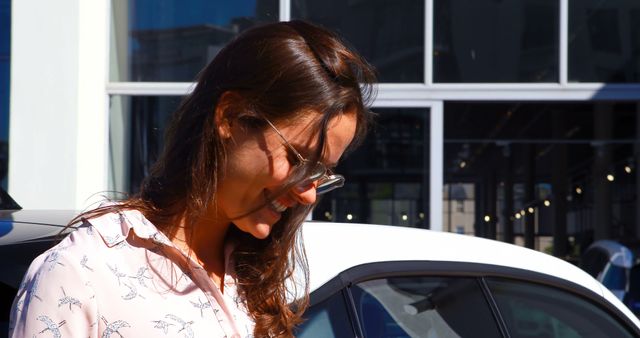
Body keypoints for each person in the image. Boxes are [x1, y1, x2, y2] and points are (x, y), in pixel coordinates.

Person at [9, 20, 376, 338]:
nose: (309, 194)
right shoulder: (83, 275)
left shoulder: (254, 279)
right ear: (230, 117)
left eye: (320, 171)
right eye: (299, 160)